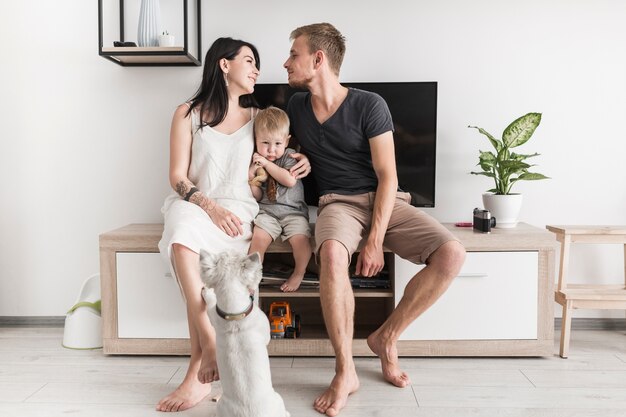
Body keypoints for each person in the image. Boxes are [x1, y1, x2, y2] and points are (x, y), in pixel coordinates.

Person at [283, 23, 466, 416]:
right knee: (331, 255)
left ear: (318, 59)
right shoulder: (295, 107)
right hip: (337, 204)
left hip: (386, 199)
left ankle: (386, 337)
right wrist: (297, 155)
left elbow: (389, 176)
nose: (286, 63)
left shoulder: (369, 104)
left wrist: (374, 240)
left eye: (293, 54)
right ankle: (345, 370)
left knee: (452, 254)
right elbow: (283, 143)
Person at [157, 37, 310, 412]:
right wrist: (210, 208)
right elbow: (177, 176)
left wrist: (300, 161)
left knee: (214, 272)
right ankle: (208, 346)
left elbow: (281, 149)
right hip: (196, 204)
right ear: (224, 65)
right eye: (249, 61)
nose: (257, 69)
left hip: (240, 213)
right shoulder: (187, 113)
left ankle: (198, 371)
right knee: (180, 235)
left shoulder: (261, 117)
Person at [247, 106, 312, 292]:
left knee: (301, 240)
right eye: (265, 143)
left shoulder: (289, 156)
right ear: (256, 141)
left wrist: (267, 164)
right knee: (258, 239)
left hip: (293, 212)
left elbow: (289, 180)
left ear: (286, 141)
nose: (271, 150)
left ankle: (299, 273)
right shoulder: (256, 163)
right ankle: (253, 276)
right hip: (268, 212)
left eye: (277, 143)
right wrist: (252, 181)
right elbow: (259, 196)